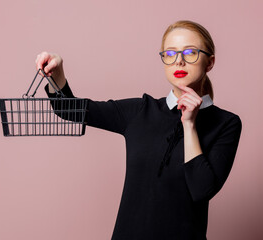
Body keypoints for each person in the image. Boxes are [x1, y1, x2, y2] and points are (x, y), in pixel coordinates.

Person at [35, 20, 242, 240]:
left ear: (209, 63)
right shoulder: (141, 111)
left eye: (190, 52)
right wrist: (56, 73)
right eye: (170, 54)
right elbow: (71, 110)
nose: (179, 61)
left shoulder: (226, 123)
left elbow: (201, 189)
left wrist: (189, 124)